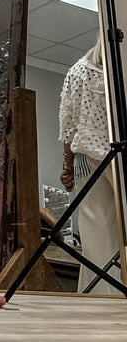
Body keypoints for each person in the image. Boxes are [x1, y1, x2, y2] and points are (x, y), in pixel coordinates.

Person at [59, 39, 123, 294]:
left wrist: (67, 165)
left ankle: (100, 303)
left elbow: (69, 126)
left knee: (97, 245)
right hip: (117, 159)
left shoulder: (78, 72)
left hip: (88, 161)